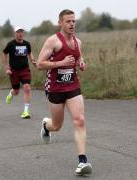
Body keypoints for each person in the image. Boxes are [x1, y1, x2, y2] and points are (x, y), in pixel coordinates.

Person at [37, 9, 92, 175]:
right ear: (60, 23)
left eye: (74, 21)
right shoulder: (53, 41)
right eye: (68, 21)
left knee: (79, 120)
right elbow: (40, 64)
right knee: (57, 125)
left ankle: (82, 162)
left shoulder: (78, 42)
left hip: (73, 86)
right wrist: (60, 62)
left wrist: (81, 63)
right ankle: (46, 126)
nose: (72, 24)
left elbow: (79, 58)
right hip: (55, 88)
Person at [2, 26, 36, 119]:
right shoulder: (11, 44)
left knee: (27, 88)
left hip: (25, 69)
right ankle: (11, 93)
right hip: (14, 71)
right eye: (18, 32)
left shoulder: (27, 44)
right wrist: (6, 67)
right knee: (16, 91)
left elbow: (29, 53)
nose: (20, 33)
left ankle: (26, 111)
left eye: (21, 32)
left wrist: (32, 60)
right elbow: (4, 53)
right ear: (15, 33)